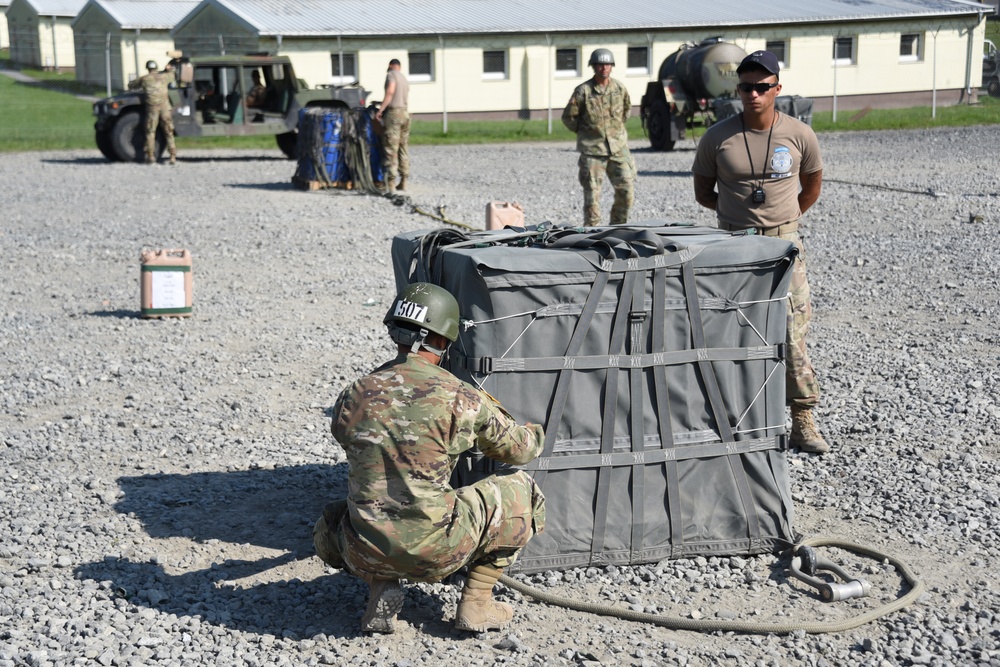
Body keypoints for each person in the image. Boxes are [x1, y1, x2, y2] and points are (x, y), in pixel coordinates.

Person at [313, 282, 546, 634]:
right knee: (522, 491)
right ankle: (476, 604)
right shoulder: (460, 397)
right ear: (442, 340)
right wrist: (535, 431)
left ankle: (382, 583)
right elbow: (519, 450)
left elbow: (354, 442)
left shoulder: (354, 394)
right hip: (439, 553)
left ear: (397, 332)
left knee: (336, 516)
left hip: (361, 551)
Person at [691, 50, 829, 454]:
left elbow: (813, 185)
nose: (754, 94)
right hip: (734, 246)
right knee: (732, 330)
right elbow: (703, 192)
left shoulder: (799, 134)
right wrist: (737, 218)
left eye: (762, 87)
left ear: (777, 90)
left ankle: (802, 418)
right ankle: (738, 419)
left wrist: (783, 219)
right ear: (738, 90)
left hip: (784, 245)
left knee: (790, 332)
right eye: (747, 87)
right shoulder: (718, 137)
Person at [561, 48, 636, 226]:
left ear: (612, 66)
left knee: (626, 192)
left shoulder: (619, 88)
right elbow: (569, 117)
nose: (604, 68)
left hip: (618, 149)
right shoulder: (583, 91)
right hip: (593, 151)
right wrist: (586, 133)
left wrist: (615, 133)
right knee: (592, 199)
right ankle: (593, 236)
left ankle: (618, 228)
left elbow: (626, 111)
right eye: (600, 64)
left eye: (607, 64)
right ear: (594, 67)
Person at [128, 60, 176, 165]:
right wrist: (168, 69)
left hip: (152, 109)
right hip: (165, 108)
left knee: (150, 132)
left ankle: (150, 156)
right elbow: (173, 75)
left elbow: (131, 85)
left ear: (147, 68)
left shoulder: (144, 79)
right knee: (168, 132)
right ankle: (172, 156)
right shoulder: (164, 77)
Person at [375, 59, 410, 194]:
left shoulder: (391, 75)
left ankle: (391, 184)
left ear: (391, 66)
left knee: (391, 148)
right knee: (403, 147)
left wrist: (381, 109)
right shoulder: (404, 78)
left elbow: (390, 91)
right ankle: (404, 181)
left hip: (394, 115)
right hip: (405, 114)